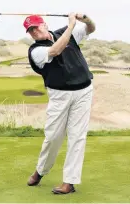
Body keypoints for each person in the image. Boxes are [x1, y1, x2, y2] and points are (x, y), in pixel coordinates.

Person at [23, 12, 96, 194]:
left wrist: (85, 19)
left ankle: (69, 183)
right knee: (53, 137)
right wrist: (71, 25)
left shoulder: (65, 33)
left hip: (83, 91)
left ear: (44, 24)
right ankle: (41, 171)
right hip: (59, 95)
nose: (33, 32)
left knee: (77, 136)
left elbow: (91, 29)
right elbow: (56, 50)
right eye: (30, 30)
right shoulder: (35, 51)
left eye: (36, 27)